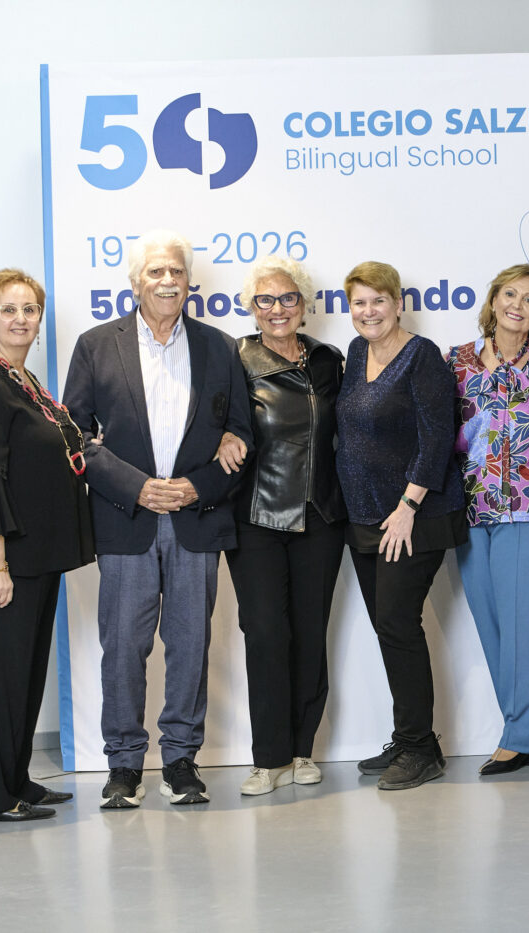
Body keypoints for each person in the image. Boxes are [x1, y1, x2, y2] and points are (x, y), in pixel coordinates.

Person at [63, 230, 251, 808]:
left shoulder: (220, 347)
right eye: (155, 272)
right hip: (126, 519)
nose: (167, 281)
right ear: (135, 282)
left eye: (176, 272)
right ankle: (123, 765)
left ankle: (180, 761)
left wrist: (197, 486)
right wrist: (137, 487)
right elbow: (72, 436)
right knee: (123, 647)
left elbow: (241, 435)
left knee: (190, 645)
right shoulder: (96, 345)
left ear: (189, 281)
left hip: (197, 518)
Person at [0, 269, 94, 822]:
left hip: (37, 555)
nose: (20, 319)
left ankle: (15, 781)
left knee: (26, 673)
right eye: (8, 310)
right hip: (7, 559)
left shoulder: (22, 379)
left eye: (29, 309)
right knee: (0, 678)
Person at [217, 257, 346, 795]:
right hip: (257, 516)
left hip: (321, 515)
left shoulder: (329, 359)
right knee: (267, 633)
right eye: (265, 300)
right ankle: (268, 759)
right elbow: (211, 418)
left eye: (288, 298)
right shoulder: (233, 358)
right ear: (251, 307)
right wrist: (224, 435)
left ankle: (301, 750)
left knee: (310, 634)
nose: (277, 309)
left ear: (304, 304)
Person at [336, 261, 467, 791]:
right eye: (359, 303)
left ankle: (419, 749)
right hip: (365, 514)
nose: (369, 312)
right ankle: (413, 738)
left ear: (398, 303)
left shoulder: (423, 357)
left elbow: (438, 437)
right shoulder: (355, 352)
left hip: (414, 516)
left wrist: (409, 504)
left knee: (397, 623)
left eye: (378, 301)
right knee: (388, 628)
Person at [448, 264, 529, 776]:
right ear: (494, 300)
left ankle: (518, 737)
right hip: (472, 505)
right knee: (492, 622)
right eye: (509, 294)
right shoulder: (455, 361)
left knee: (522, 622)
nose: (517, 305)